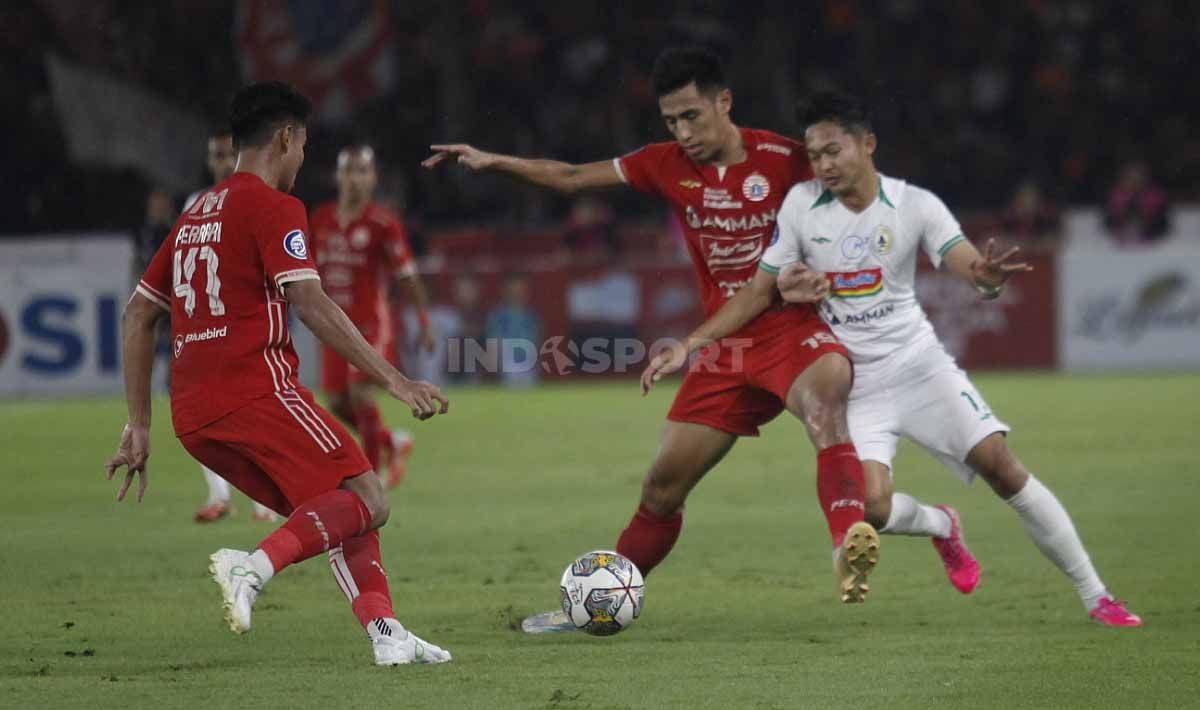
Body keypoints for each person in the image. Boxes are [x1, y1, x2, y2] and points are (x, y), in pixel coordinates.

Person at [425, 47, 891, 623]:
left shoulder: (785, 158)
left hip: (791, 331)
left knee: (826, 405)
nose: (683, 132)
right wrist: (490, 160)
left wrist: (829, 267)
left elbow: (857, 200)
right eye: (671, 120)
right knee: (661, 490)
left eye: (692, 115)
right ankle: (596, 606)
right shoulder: (664, 163)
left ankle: (846, 544)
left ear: (725, 102)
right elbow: (572, 177)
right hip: (723, 344)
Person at [645, 91, 1141, 626]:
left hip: (917, 366)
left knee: (1003, 467)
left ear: (868, 144)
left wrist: (988, 281)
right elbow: (758, 291)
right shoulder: (799, 207)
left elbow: (969, 265)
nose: (825, 165)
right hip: (852, 383)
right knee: (869, 510)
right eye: (814, 155)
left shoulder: (915, 205)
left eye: (834, 150)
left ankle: (1098, 596)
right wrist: (693, 343)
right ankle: (941, 526)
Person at [104, 81, 456, 666]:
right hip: (257, 393)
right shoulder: (273, 206)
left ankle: (385, 633)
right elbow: (312, 304)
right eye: (304, 146)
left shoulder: (195, 214)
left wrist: (139, 424)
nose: (302, 159)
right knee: (370, 495)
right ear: (287, 138)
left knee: (336, 504)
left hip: (194, 416)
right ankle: (255, 565)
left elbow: (139, 313)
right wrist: (398, 380)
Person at [309, 145, 435, 488]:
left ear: (373, 178)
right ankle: (392, 442)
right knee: (336, 401)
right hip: (333, 325)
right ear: (338, 177)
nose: (354, 179)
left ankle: (369, 478)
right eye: (348, 171)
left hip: (371, 325)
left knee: (360, 393)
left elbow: (407, 275)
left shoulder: (383, 223)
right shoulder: (320, 219)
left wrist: (424, 321)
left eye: (362, 171)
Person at [183, 124, 279, 523]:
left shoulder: (259, 199)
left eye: (228, 155)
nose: (223, 163)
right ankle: (219, 495)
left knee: (253, 415)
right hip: (206, 328)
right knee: (201, 418)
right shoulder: (195, 202)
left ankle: (266, 499)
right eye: (216, 156)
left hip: (247, 327)